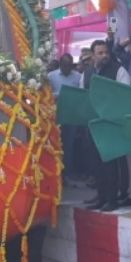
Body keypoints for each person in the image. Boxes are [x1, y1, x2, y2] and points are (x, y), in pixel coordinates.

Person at [82, 40, 131, 212]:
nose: (104, 56)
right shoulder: (87, 72)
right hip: (93, 124)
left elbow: (125, 94)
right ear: (93, 54)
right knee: (96, 163)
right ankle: (101, 196)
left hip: (111, 124)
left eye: (106, 52)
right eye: (100, 53)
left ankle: (113, 198)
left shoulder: (119, 70)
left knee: (111, 164)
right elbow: (84, 95)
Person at [48, 54, 85, 183]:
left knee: (69, 145)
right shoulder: (51, 76)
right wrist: (60, 93)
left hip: (71, 115)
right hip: (55, 115)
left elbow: (81, 94)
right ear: (60, 65)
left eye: (69, 66)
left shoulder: (78, 77)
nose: (67, 68)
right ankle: (55, 173)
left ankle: (67, 172)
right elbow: (47, 94)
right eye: (64, 66)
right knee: (55, 144)